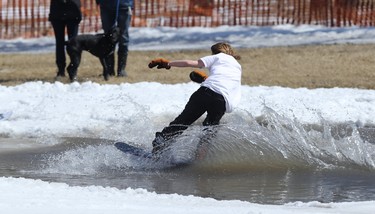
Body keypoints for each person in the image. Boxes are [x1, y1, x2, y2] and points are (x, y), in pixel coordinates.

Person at [148, 42, 242, 155]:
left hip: (205, 93)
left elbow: (190, 63)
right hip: (221, 101)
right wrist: (207, 80)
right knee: (209, 132)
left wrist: (168, 63)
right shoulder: (237, 66)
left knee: (182, 122)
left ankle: (160, 143)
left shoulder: (218, 57)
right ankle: (199, 158)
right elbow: (227, 84)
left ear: (215, 52)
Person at [96, 0, 133, 77]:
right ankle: (109, 70)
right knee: (107, 38)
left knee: (123, 37)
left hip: (124, 5)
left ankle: (121, 70)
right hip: (106, 5)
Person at [48, 0, 82, 79]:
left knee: (73, 43)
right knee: (60, 42)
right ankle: (61, 69)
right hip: (58, 11)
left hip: (72, 10)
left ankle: (73, 69)